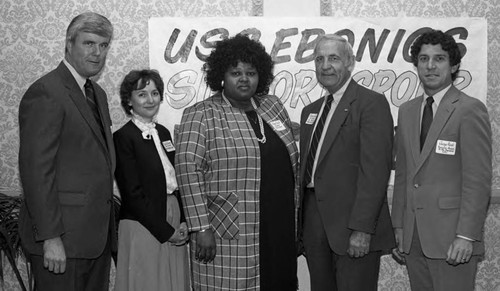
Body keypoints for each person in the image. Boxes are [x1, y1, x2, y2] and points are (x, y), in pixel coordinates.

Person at [175, 34, 299, 290]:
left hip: (279, 222)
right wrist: (200, 227)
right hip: (228, 226)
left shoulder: (273, 106)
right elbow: (188, 173)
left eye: (251, 72)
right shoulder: (201, 114)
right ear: (222, 75)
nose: (244, 78)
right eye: (236, 72)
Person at [18, 12, 116, 290]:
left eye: (104, 45)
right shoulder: (46, 91)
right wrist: (50, 238)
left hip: (95, 240)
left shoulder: (97, 93)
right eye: (89, 43)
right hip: (61, 243)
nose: (97, 53)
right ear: (69, 44)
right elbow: (37, 171)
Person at [391, 29, 492, 291]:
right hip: (413, 238)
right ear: (416, 65)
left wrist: (466, 236)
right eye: (423, 59)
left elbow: (477, 180)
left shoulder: (469, 109)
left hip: (453, 240)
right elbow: (403, 173)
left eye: (439, 58)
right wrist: (399, 226)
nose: (430, 66)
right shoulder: (407, 111)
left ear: (454, 65)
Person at [298, 34, 395, 291]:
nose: (325, 65)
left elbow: (375, 173)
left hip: (353, 225)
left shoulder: (371, 103)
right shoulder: (311, 111)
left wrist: (362, 229)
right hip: (314, 225)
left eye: (334, 58)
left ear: (350, 62)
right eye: (319, 59)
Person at [113, 69, 190, 290]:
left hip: (173, 217)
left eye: (154, 93)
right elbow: (132, 193)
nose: (150, 100)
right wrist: (166, 232)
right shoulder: (123, 138)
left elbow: (178, 181)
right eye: (142, 94)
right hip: (143, 223)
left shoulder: (164, 133)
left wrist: (183, 220)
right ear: (129, 100)